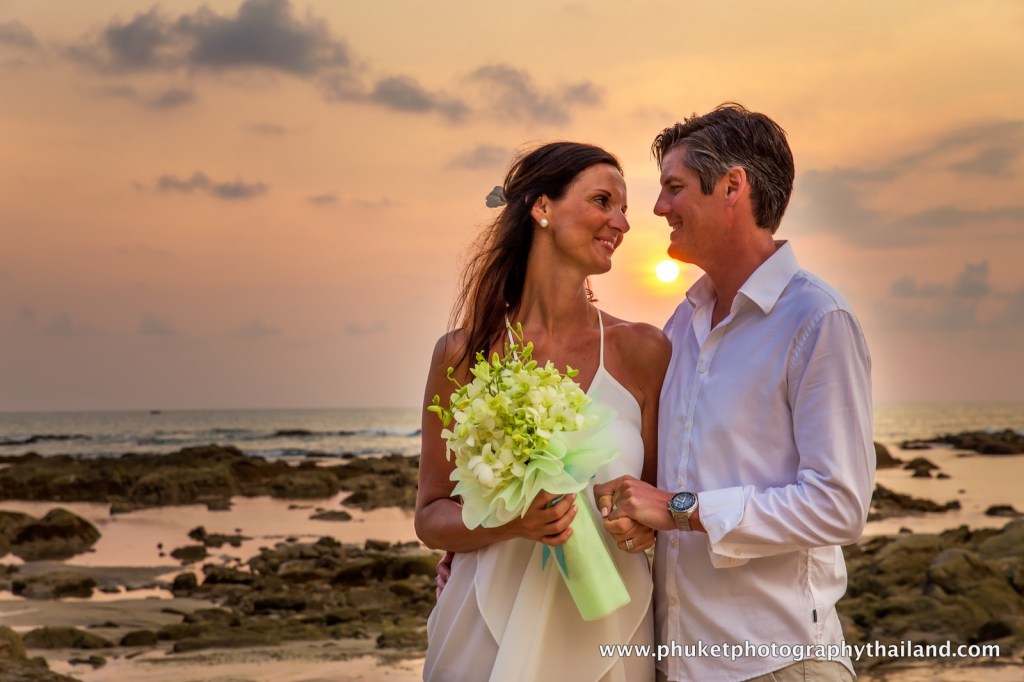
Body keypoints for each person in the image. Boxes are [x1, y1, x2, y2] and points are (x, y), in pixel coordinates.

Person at [594, 104, 874, 682]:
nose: (657, 208)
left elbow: (839, 505)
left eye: (673, 187)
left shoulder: (817, 320)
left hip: (779, 663)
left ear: (732, 186)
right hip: (680, 662)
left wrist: (678, 510)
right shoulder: (681, 325)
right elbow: (657, 477)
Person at [416, 141, 671, 682]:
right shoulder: (463, 354)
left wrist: (641, 526)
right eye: (604, 200)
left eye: (624, 209)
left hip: (611, 632)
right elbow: (431, 515)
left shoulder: (644, 352)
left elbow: (655, 506)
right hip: (483, 626)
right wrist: (511, 522)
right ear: (542, 207)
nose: (622, 222)